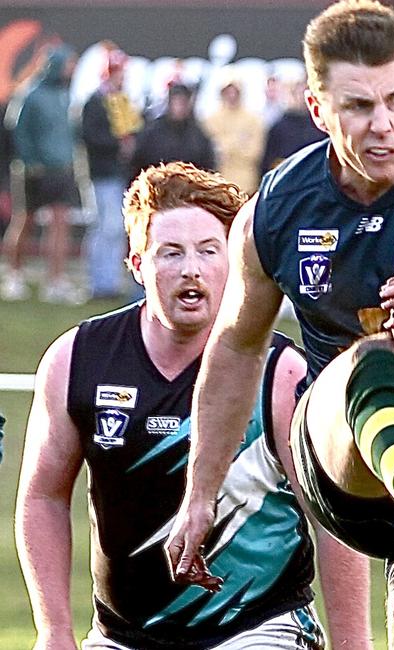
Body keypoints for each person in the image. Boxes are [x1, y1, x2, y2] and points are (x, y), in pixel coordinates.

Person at [166, 2, 394, 649]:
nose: (384, 124)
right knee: (372, 360)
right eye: (360, 106)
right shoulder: (277, 208)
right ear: (317, 108)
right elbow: (233, 350)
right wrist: (201, 495)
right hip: (342, 456)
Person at [15, 160, 371, 650]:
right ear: (136, 264)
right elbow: (43, 496)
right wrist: (53, 630)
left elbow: (335, 519)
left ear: (233, 261)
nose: (191, 269)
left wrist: (354, 643)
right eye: (170, 253)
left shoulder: (282, 372)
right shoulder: (76, 361)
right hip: (122, 638)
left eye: (209, 251)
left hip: (260, 630)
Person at [0, 43, 85, 304]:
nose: (71, 69)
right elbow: (17, 131)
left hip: (62, 169)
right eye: (67, 63)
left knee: (61, 223)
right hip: (33, 171)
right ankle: (14, 274)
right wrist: (30, 161)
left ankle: (55, 280)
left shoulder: (64, 94)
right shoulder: (30, 93)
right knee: (25, 221)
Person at [81, 45, 142, 299]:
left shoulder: (123, 100)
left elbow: (134, 129)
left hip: (119, 173)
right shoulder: (95, 102)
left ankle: (109, 281)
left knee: (116, 229)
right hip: (102, 173)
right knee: (105, 227)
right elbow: (90, 137)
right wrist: (118, 145)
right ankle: (99, 282)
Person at [130, 83, 214, 182]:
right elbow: (138, 162)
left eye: (183, 103)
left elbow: (207, 165)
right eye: (177, 102)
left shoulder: (198, 135)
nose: (179, 107)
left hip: (189, 189)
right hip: (158, 186)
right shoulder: (153, 132)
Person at [202, 76, 265, 195]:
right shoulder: (211, 120)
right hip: (219, 184)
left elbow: (254, 153)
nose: (231, 96)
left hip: (247, 184)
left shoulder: (253, 120)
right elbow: (213, 153)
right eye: (227, 92)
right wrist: (238, 141)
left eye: (235, 92)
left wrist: (226, 144)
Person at [260, 76, 325, 175]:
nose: (301, 98)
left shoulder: (319, 125)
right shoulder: (279, 126)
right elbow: (268, 161)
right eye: (298, 93)